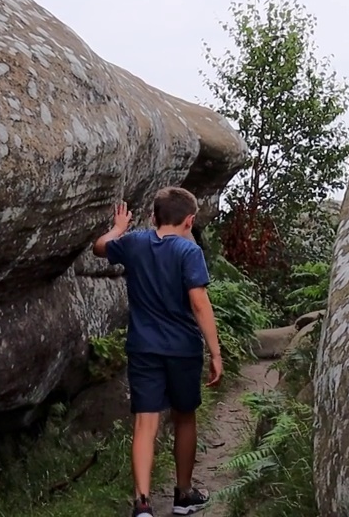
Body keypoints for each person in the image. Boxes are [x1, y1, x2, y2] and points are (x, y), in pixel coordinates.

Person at [93, 186, 223, 516]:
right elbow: (199, 303)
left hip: (144, 347)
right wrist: (216, 352)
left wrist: (119, 228)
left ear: (153, 216)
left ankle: (142, 504)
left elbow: (99, 247)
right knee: (184, 417)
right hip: (182, 349)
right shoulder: (189, 252)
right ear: (190, 220)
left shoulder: (135, 242)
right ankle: (183, 495)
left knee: (145, 423)